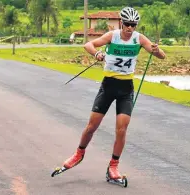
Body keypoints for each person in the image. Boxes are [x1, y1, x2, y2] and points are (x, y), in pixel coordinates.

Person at [62, 7, 166, 180]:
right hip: (108, 86)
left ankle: (113, 167)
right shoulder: (113, 36)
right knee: (91, 127)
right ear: (121, 23)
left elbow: (161, 56)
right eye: (127, 24)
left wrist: (156, 50)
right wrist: (97, 53)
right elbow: (88, 44)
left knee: (122, 129)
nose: (130, 28)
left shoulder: (139, 39)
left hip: (126, 88)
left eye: (133, 24)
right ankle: (79, 154)